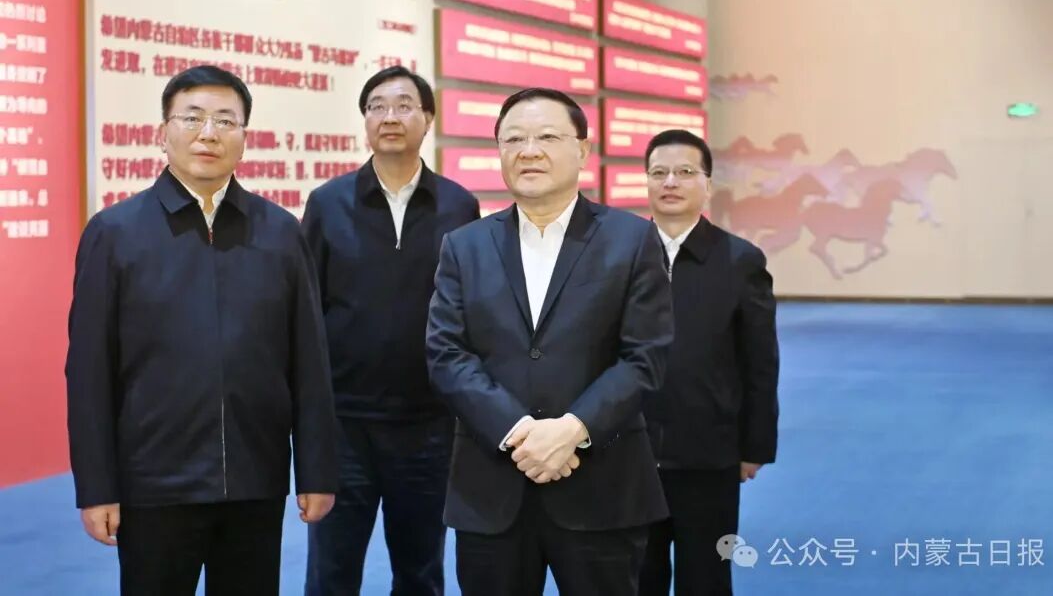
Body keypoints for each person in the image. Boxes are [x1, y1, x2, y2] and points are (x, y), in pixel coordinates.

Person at [65, 65, 338, 596]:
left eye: (224, 121)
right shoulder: (115, 234)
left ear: (244, 137)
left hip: (256, 480)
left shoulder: (280, 233)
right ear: (162, 133)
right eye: (191, 118)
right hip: (154, 485)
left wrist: (317, 470)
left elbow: (309, 360)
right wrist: (96, 486)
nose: (208, 134)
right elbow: (89, 371)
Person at [426, 87, 673, 596]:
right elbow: (446, 354)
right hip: (491, 491)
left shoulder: (631, 239)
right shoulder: (465, 246)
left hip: (601, 487)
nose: (529, 151)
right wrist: (518, 430)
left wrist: (572, 430)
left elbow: (645, 356)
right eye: (513, 139)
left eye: (547, 137)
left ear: (583, 150)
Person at [301, 66, 479, 595]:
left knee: (421, 569)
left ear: (428, 118)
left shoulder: (459, 206)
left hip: (429, 423)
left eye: (404, 105)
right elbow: (307, 311)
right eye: (376, 106)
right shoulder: (328, 203)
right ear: (364, 121)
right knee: (332, 571)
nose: (389, 117)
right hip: (344, 424)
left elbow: (470, 311)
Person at [638, 129, 780, 596]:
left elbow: (760, 362)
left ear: (707, 184)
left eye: (684, 172)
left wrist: (754, 445)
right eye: (659, 172)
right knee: (634, 577)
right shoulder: (620, 255)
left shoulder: (740, 260)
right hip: (630, 453)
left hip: (710, 453)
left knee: (707, 577)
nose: (670, 182)